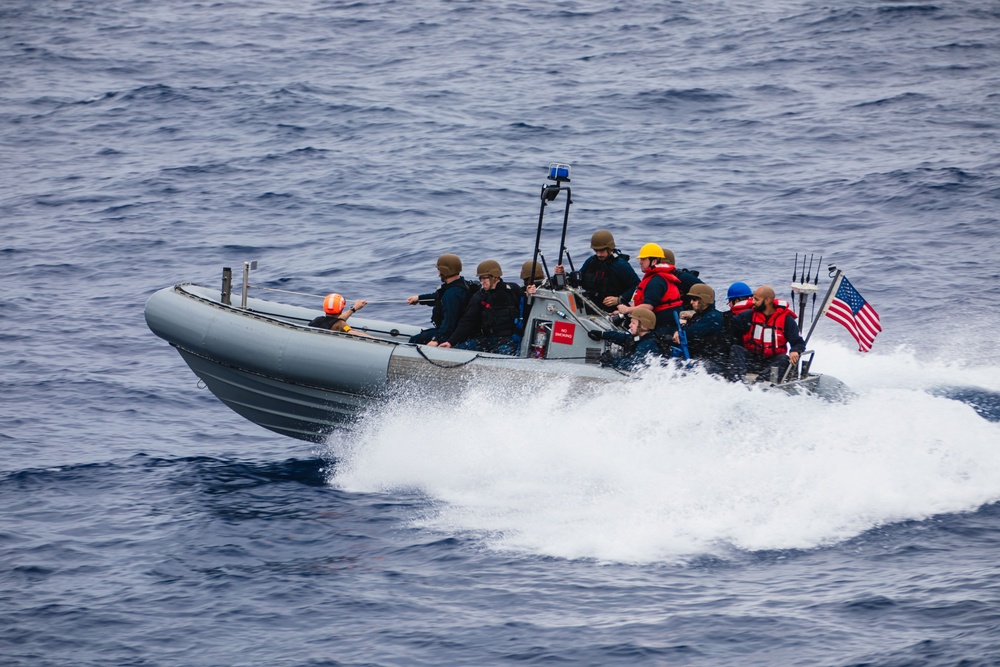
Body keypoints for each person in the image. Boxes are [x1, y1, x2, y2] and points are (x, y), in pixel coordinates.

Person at [440, 260, 523, 355]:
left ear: (495, 277)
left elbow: (526, 309)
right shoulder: (479, 297)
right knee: (458, 351)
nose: (482, 282)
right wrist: (451, 342)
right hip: (486, 339)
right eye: (480, 278)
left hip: (509, 340)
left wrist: (530, 293)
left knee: (504, 352)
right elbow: (467, 321)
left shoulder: (512, 290)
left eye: (485, 278)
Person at [726, 285, 805, 383]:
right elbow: (730, 328)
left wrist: (795, 351)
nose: (753, 302)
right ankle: (735, 383)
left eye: (756, 299)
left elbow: (799, 342)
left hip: (771, 361)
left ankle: (760, 384)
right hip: (752, 359)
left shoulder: (786, 320)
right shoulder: (748, 315)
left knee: (783, 359)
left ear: (767, 301)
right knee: (736, 349)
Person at [554, 230, 639, 312]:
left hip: (612, 311)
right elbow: (578, 280)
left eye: (601, 251)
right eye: (596, 251)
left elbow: (637, 286)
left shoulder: (621, 265)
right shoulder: (591, 261)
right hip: (590, 307)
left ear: (609, 248)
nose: (598, 254)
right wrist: (564, 274)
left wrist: (619, 299)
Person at [406, 253, 475, 345]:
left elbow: (449, 322)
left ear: (444, 271)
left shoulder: (451, 295)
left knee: (414, 340)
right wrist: (419, 298)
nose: (438, 273)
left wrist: (436, 340)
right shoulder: (462, 285)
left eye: (439, 270)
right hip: (463, 331)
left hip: (453, 333)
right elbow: (438, 298)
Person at [616, 243, 683, 336]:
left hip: (665, 326)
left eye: (643, 259)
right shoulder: (655, 278)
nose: (640, 262)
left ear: (654, 261)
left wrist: (627, 310)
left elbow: (648, 307)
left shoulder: (656, 281)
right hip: (666, 322)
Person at [587, 307, 663, 371]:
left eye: (633, 323)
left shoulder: (648, 344)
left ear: (644, 326)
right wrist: (602, 334)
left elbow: (634, 366)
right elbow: (624, 338)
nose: (630, 325)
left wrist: (612, 359)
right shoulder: (640, 338)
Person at [673, 283, 727, 371]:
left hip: (714, 360)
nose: (691, 302)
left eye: (694, 299)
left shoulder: (713, 316)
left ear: (704, 300)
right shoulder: (699, 315)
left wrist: (680, 333)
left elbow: (693, 332)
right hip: (701, 356)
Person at [722, 281, 755, 349]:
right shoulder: (757, 313)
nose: (729, 305)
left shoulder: (726, 317)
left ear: (736, 301)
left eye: (729, 301)